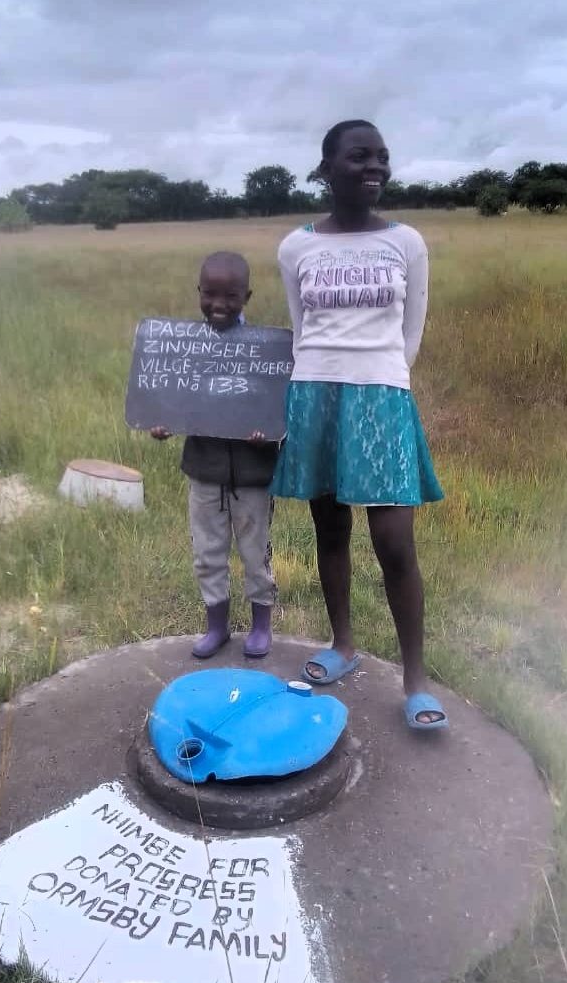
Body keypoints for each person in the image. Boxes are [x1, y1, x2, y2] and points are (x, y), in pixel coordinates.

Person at [271, 120, 447, 729]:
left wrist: (385, 380)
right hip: (315, 393)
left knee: (395, 542)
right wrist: (322, 378)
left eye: (382, 157)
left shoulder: (407, 242)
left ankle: (415, 681)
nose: (374, 166)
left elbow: (411, 332)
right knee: (331, 531)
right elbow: (301, 327)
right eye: (358, 156)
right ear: (326, 168)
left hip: (381, 397)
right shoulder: (296, 246)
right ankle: (343, 646)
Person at [151, 251, 278, 659]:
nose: (219, 304)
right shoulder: (184, 347)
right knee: (207, 552)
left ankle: (261, 627)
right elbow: (172, 398)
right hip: (204, 471)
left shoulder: (265, 350)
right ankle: (217, 626)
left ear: (247, 297)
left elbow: (279, 407)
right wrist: (162, 424)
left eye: (231, 295)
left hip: (252, 475)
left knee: (256, 554)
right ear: (199, 293)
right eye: (209, 294)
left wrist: (269, 434)